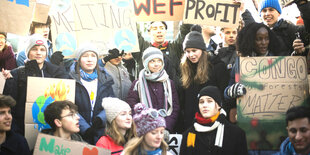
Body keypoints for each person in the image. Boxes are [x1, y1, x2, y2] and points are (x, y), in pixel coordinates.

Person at [3, 34, 69, 136]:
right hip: (22, 129)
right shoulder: (16, 74)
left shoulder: (56, 72)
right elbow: (11, 107)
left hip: (51, 129)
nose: (38, 53)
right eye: (34, 49)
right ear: (28, 52)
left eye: (42, 49)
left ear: (46, 54)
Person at [179, 31, 229, 130]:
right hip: (192, 125)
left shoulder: (217, 66)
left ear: (202, 50)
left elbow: (224, 96)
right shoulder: (185, 68)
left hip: (214, 123)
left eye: (194, 50)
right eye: (187, 51)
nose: (191, 55)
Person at [69, 43, 115, 145]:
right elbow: (67, 106)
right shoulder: (70, 79)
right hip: (77, 133)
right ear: (78, 59)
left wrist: (100, 119)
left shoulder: (105, 79)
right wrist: (85, 128)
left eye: (93, 56)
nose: (90, 59)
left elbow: (112, 103)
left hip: (101, 132)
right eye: (85, 56)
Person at [180, 86, 248, 155]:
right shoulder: (189, 134)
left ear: (218, 105)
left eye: (209, 101)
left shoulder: (236, 134)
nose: (204, 105)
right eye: (201, 102)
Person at [126, 47, 179, 134]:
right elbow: (132, 107)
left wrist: (166, 127)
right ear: (146, 63)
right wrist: (144, 127)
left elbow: (175, 107)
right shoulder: (138, 84)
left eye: (159, 61)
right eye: (152, 61)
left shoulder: (169, 83)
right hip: (144, 130)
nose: (156, 64)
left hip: (165, 128)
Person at [135, 21, 192, 90]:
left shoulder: (175, 47)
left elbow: (185, 31)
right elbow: (134, 33)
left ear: (165, 31)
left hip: (173, 94)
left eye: (162, 28)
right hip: (148, 93)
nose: (159, 31)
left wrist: (186, 19)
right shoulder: (142, 48)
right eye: (155, 29)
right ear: (149, 32)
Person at [240, 0, 310, 56]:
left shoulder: (289, 29)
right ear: (260, 14)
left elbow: (308, 31)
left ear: (278, 13)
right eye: (264, 11)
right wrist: (243, 9)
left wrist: (302, 4)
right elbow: (250, 25)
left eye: (271, 10)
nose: (267, 13)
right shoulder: (257, 31)